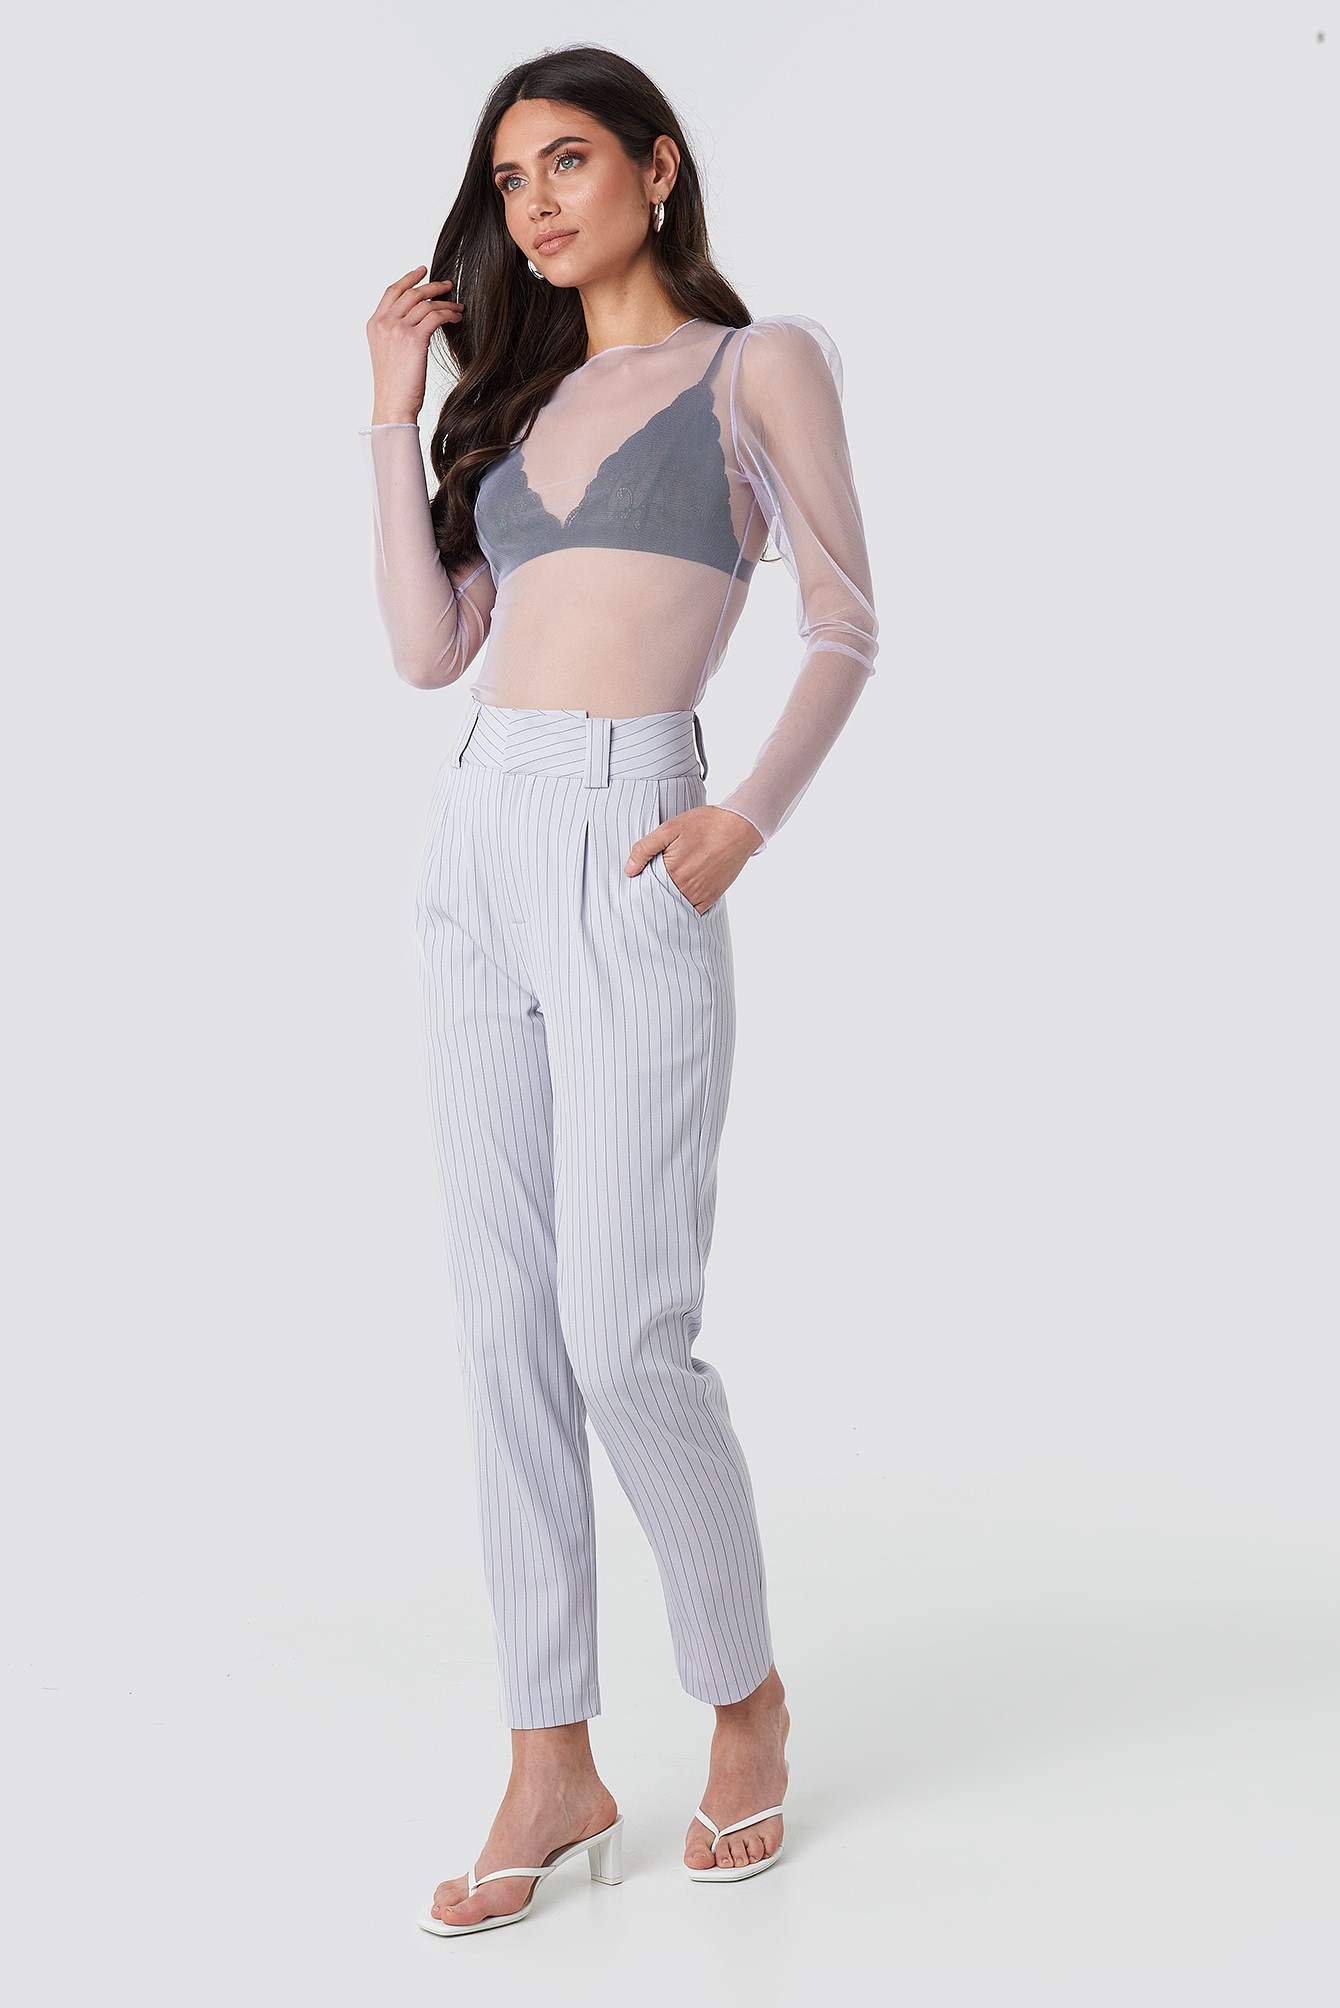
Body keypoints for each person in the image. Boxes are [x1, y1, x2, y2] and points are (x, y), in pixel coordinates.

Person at [359, 44, 878, 1938]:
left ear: (658, 168)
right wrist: (392, 413)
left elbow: (843, 618)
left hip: (640, 833)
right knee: (504, 1325)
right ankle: (551, 1755)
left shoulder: (758, 366)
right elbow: (429, 653)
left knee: (622, 1330)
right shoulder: (512, 405)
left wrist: (744, 817)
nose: (537, 205)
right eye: (510, 182)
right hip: (479, 845)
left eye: (568, 161)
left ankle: (742, 1697)